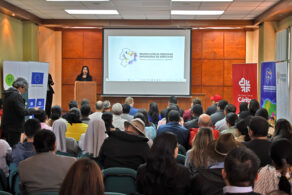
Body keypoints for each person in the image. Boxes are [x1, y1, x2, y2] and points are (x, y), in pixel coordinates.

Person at [2, 77, 38, 147]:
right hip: (14, 128)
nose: (24, 91)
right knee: (14, 148)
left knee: (9, 147)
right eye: (25, 89)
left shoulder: (8, 94)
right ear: (21, 87)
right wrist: (34, 110)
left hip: (7, 126)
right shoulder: (16, 95)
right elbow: (23, 112)